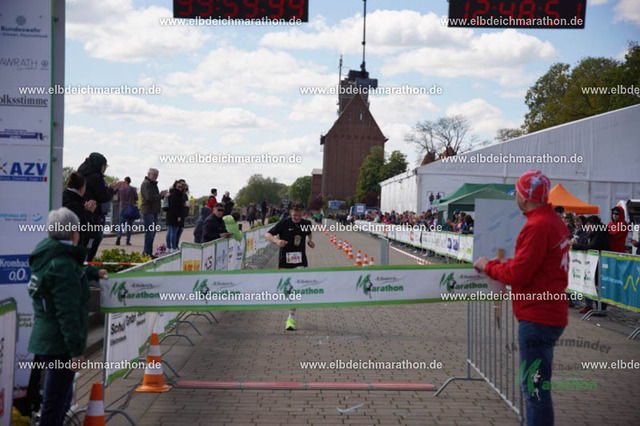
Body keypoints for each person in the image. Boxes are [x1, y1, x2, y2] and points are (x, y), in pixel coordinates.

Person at [474, 170, 570, 426]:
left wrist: (487, 266)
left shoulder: (537, 226)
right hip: (549, 312)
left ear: (525, 197)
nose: (515, 196)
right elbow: (533, 265)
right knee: (536, 386)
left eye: (516, 192)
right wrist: (502, 264)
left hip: (538, 315)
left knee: (534, 389)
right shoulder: (553, 221)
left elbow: (519, 274)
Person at [27, 208, 108, 426]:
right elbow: (68, 313)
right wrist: (76, 351)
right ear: (73, 233)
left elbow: (67, 275)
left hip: (46, 337)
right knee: (55, 404)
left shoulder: (50, 256)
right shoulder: (64, 265)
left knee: (58, 398)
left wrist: (92, 272)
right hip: (59, 343)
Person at [265, 202, 315, 331]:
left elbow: (308, 233)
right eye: (295, 215)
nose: (297, 218)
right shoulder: (284, 223)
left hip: (300, 262)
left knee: (295, 289)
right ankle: (290, 313)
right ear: (291, 212)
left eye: (299, 215)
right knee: (287, 290)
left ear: (303, 213)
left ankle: (290, 318)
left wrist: (309, 241)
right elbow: (268, 235)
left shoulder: (306, 223)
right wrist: (277, 241)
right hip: (285, 261)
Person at [77, 153, 123, 261]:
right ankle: (86, 265)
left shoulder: (81, 174)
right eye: (105, 166)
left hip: (81, 215)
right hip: (93, 216)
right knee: (91, 244)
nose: (105, 169)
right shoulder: (95, 177)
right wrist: (112, 189)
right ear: (100, 165)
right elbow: (103, 196)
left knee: (82, 244)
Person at [572, 215, 611, 314]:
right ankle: (592, 306)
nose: (586, 227)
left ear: (594, 224)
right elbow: (587, 243)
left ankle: (600, 307)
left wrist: (577, 246)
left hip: (600, 261)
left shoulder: (600, 232)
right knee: (591, 283)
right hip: (591, 261)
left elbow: (593, 246)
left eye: (588, 224)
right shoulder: (590, 232)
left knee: (598, 284)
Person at [62, 172, 97, 246]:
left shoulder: (63, 197)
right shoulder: (76, 206)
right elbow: (87, 229)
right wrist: (89, 212)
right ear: (82, 188)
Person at [140, 168, 169, 258]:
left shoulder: (152, 184)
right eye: (154, 174)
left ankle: (148, 253)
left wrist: (161, 196)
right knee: (149, 233)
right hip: (148, 211)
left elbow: (153, 197)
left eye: (157, 175)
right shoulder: (147, 184)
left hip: (153, 211)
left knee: (152, 233)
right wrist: (160, 195)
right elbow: (149, 197)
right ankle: (146, 253)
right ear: (149, 174)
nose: (156, 176)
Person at [116, 177, 138, 246]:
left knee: (121, 224)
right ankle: (127, 241)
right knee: (129, 225)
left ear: (125, 181)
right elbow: (136, 198)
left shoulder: (120, 189)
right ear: (129, 182)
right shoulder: (132, 189)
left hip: (122, 208)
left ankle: (119, 236)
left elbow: (118, 199)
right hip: (130, 209)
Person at [166, 180, 185, 252]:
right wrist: (178, 216)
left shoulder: (171, 193)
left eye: (181, 187)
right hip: (174, 215)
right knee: (173, 232)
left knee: (169, 232)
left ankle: (168, 247)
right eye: (178, 186)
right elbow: (176, 207)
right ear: (175, 186)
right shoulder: (177, 195)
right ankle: (173, 247)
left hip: (169, 215)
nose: (180, 188)